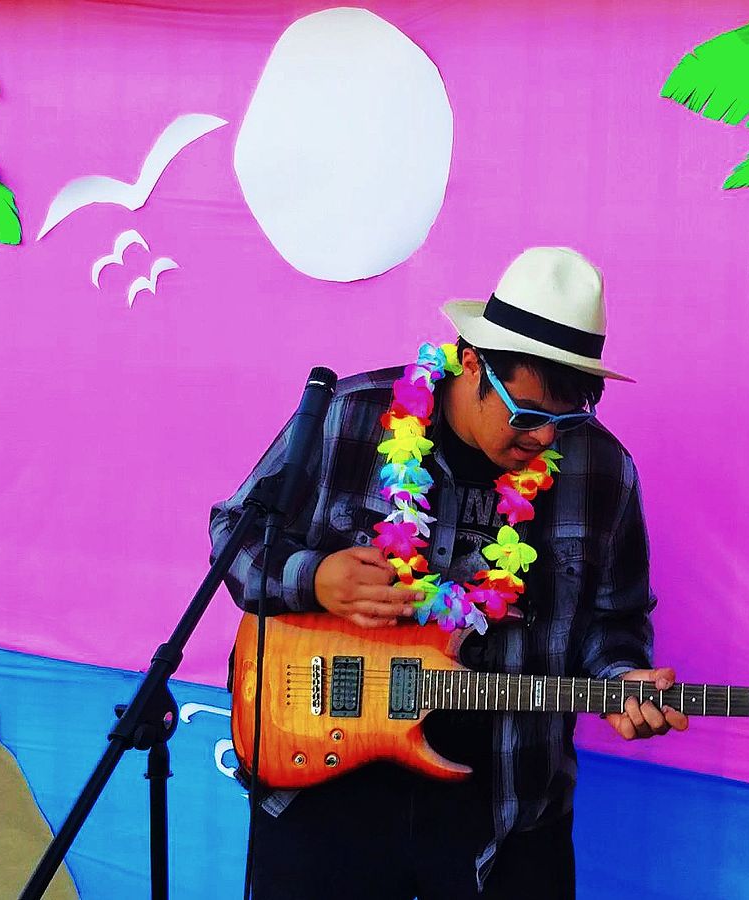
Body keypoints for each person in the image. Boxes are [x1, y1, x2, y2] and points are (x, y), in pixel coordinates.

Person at [210, 247, 684, 899]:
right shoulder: (351, 416)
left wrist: (622, 675)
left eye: (566, 420)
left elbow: (615, 618)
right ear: (472, 362)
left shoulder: (603, 470)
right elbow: (234, 539)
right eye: (528, 414)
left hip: (507, 802)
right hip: (329, 787)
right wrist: (314, 578)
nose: (546, 439)